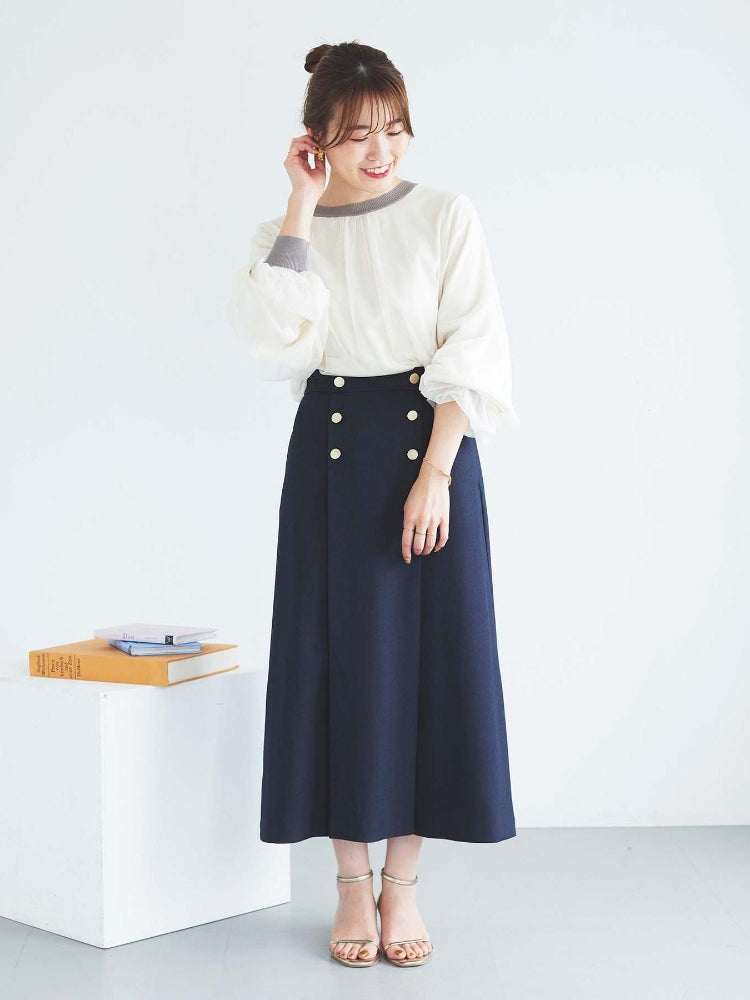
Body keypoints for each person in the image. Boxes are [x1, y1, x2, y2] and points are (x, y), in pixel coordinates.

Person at [228, 39, 520, 970]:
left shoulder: (445, 215)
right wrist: (302, 204)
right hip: (332, 454)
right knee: (336, 665)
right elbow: (278, 341)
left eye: (395, 129)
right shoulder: (286, 233)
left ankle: (404, 885)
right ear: (316, 138)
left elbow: (473, 348)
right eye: (357, 135)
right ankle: (351, 883)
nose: (382, 150)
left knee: (426, 667)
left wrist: (436, 475)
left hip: (428, 450)